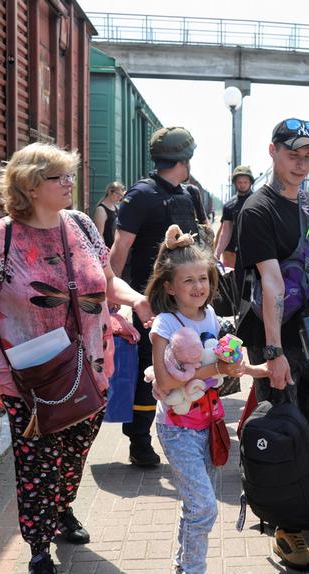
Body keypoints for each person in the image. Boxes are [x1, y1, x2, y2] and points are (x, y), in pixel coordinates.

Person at [0, 143, 151, 574]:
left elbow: (106, 279)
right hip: (30, 376)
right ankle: (39, 550)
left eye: (69, 175)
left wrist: (134, 298)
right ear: (28, 186)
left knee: (75, 453)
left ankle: (62, 509)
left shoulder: (81, 225)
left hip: (92, 365)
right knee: (38, 464)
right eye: (58, 177)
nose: (70, 184)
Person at [145, 226, 266, 574]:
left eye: (203, 278)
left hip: (208, 422)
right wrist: (216, 366)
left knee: (194, 506)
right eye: (188, 280)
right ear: (170, 286)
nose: (198, 286)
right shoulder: (164, 324)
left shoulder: (212, 315)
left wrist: (248, 367)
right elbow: (165, 381)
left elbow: (220, 362)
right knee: (204, 507)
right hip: (178, 427)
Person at [236, 118, 309, 572]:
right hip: (276, 339)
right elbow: (271, 283)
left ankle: (297, 504)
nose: (301, 163)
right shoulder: (258, 209)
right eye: (293, 154)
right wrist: (273, 355)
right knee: (282, 426)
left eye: (308, 156)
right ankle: (284, 528)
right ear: (273, 151)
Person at [111, 126, 209, 467]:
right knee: (146, 371)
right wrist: (115, 297)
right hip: (148, 302)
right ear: (185, 157)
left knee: (190, 365)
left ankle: (189, 431)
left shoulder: (187, 195)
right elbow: (120, 248)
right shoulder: (141, 195)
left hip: (183, 301)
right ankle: (139, 440)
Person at [217, 164, 254, 270]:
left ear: (250, 182)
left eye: (245, 182)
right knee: (232, 283)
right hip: (231, 252)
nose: (242, 185)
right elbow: (225, 231)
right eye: (239, 182)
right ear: (235, 183)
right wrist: (217, 253)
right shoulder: (229, 205)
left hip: (252, 252)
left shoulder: (258, 202)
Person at [91, 181, 124, 248]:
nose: (119, 197)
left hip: (114, 248)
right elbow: (99, 234)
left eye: (121, 196)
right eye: (117, 194)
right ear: (110, 191)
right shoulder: (101, 209)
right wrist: (104, 252)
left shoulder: (116, 208)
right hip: (106, 249)